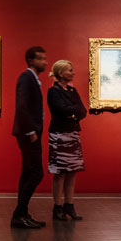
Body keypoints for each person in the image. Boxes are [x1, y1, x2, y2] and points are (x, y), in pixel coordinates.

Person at [10, 46, 48, 229]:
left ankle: (22, 214)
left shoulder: (33, 79)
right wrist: (31, 131)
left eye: (45, 58)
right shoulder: (26, 78)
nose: (45, 62)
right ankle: (19, 214)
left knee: (28, 172)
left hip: (30, 132)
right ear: (31, 60)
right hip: (28, 133)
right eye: (41, 59)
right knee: (35, 172)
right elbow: (22, 106)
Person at [46, 59, 87, 221]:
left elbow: (82, 111)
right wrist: (72, 112)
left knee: (72, 172)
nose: (73, 72)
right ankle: (57, 208)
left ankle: (69, 206)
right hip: (59, 135)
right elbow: (60, 109)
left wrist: (72, 113)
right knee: (60, 172)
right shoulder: (53, 91)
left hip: (73, 133)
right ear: (61, 73)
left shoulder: (72, 90)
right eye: (70, 70)